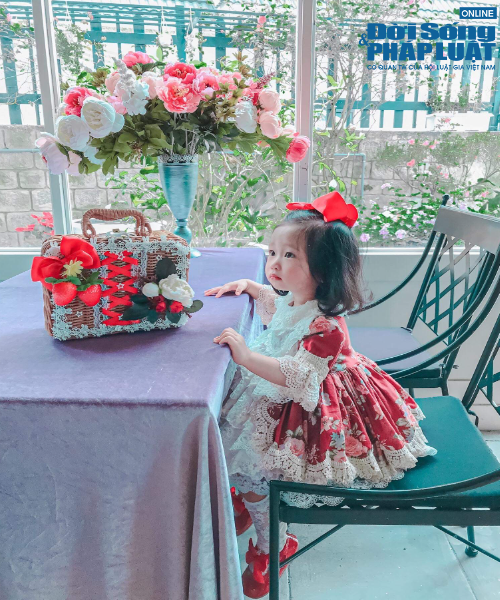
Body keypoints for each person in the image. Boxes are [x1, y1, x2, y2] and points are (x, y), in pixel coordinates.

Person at [204, 192, 437, 599]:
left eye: (289, 256)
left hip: (317, 400)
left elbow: (297, 377)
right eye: (272, 252)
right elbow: (282, 309)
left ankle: (274, 543)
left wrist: (247, 356)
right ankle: (249, 500)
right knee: (232, 429)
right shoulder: (300, 298)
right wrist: (252, 287)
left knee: (251, 457)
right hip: (291, 384)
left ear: (324, 271)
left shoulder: (327, 326)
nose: (274, 264)